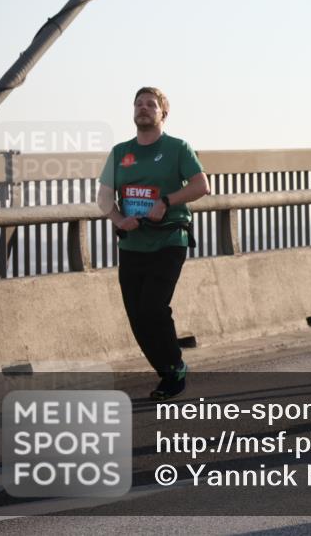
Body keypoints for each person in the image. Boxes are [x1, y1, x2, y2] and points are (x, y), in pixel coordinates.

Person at [98, 87, 210, 400]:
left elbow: (202, 185)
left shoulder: (176, 148)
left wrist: (166, 201)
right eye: (138, 104)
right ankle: (167, 371)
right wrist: (120, 221)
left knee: (153, 307)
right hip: (132, 244)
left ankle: (174, 370)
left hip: (170, 240)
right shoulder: (121, 152)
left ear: (163, 113)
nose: (143, 108)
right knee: (137, 315)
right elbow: (104, 197)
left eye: (151, 104)